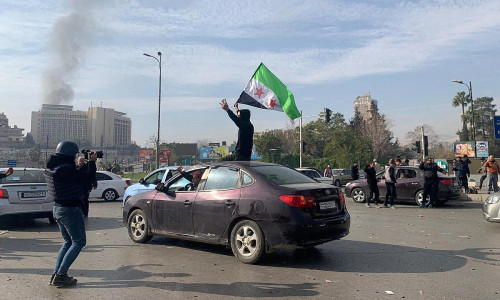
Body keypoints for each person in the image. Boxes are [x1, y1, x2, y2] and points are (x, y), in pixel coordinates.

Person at [45, 141, 97, 287]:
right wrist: (92, 163)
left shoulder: (55, 167)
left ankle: (56, 274)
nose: (75, 158)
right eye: (74, 155)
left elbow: (75, 176)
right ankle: (61, 275)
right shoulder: (66, 170)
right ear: (69, 155)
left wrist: (83, 165)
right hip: (70, 210)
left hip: (58, 209)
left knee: (68, 242)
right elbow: (87, 179)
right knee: (79, 242)